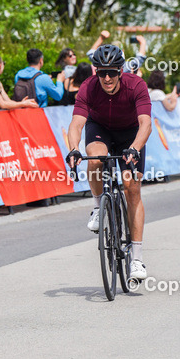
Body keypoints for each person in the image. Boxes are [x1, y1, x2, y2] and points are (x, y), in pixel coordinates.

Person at [65, 45, 152, 281]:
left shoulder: (136, 85)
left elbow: (146, 123)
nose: (106, 78)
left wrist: (135, 148)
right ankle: (97, 207)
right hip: (101, 128)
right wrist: (73, 149)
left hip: (130, 133)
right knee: (94, 160)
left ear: (121, 71)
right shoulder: (89, 87)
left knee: (131, 188)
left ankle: (136, 258)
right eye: (102, 72)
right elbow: (76, 124)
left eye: (112, 72)